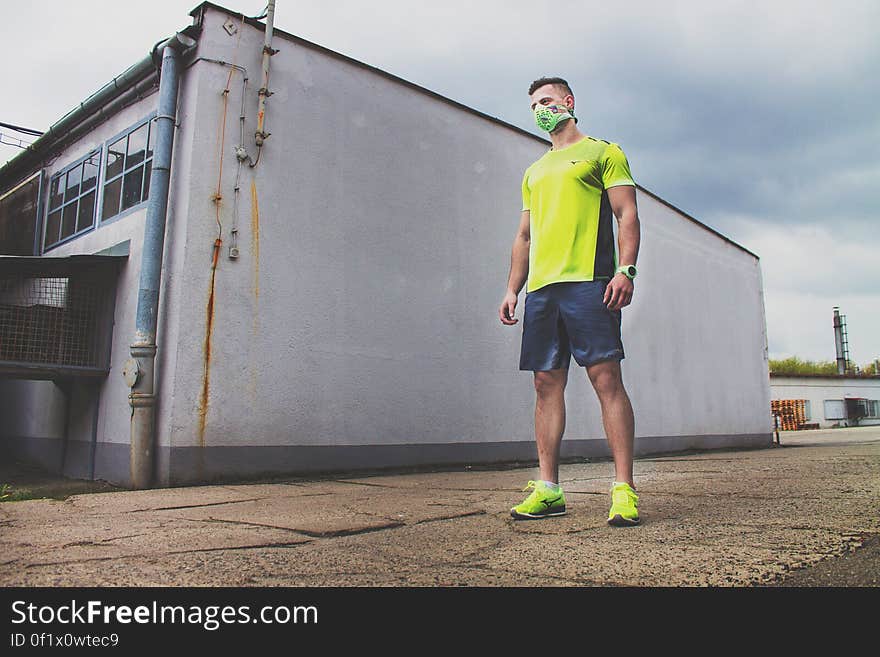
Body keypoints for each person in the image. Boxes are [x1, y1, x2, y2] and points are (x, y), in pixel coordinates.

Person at [498, 76, 641, 526]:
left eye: (547, 101)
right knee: (545, 385)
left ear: (568, 102)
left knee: (605, 379)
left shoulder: (604, 152)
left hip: (590, 282)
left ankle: (623, 490)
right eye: (534, 104)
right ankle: (549, 490)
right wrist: (512, 288)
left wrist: (626, 269)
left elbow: (626, 213)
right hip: (543, 290)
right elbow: (524, 236)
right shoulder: (534, 171)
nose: (541, 109)